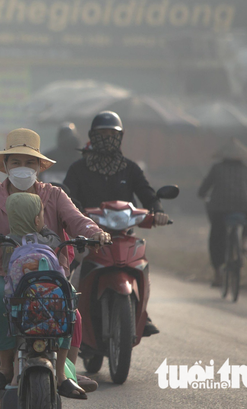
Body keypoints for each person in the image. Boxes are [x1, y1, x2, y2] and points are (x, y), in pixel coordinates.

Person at [0, 128, 109, 392]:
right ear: (5, 165)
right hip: (4, 274)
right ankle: (5, 367)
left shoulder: (55, 195)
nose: (22, 167)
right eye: (16, 161)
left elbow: (77, 221)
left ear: (39, 166)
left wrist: (94, 232)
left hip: (50, 274)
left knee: (70, 305)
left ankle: (65, 372)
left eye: (29, 162)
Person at [63, 111, 169, 337]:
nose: (108, 138)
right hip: (87, 238)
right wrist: (75, 212)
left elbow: (147, 194)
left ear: (120, 138)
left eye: (113, 134)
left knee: (141, 264)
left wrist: (158, 210)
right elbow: (67, 195)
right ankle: (64, 311)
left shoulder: (130, 168)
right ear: (93, 136)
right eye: (102, 134)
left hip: (123, 235)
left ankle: (141, 311)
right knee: (67, 273)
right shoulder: (78, 168)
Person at [4, 192, 87, 399]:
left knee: (15, 328)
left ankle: (14, 375)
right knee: (72, 316)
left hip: (23, 308)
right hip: (52, 306)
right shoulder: (52, 239)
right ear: (37, 219)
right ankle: (62, 374)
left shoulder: (8, 241)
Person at [198, 138, 247, 287]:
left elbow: (203, 189)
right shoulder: (246, 169)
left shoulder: (217, 168)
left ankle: (218, 275)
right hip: (243, 207)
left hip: (220, 209)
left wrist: (203, 195)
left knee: (216, 239)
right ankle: (243, 244)